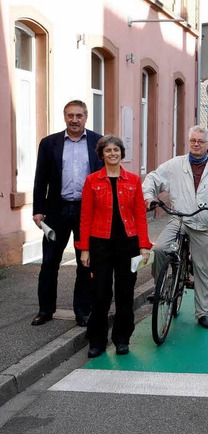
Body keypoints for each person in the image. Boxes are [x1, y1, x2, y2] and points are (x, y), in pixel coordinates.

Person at [142, 126, 208, 329]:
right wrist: (149, 197)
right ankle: (161, 287)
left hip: (204, 223)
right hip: (180, 219)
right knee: (159, 249)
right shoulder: (176, 164)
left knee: (202, 269)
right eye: (193, 140)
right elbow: (153, 177)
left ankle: (202, 312)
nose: (196, 144)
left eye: (201, 141)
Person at [76, 136, 151, 358]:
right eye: (108, 150)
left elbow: (139, 214)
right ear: (102, 155)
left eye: (116, 150)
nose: (112, 153)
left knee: (125, 293)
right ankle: (97, 341)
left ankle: (122, 339)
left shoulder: (133, 180)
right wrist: (84, 248)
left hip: (128, 243)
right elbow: (85, 216)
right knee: (100, 293)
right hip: (100, 243)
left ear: (121, 153)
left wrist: (144, 245)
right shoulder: (92, 181)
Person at [31, 100, 103, 327]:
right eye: (70, 115)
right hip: (56, 209)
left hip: (87, 210)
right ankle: (45, 310)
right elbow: (40, 178)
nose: (74, 120)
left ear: (86, 117)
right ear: (64, 117)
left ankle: (82, 311)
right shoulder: (49, 143)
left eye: (79, 115)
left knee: (86, 263)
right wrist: (38, 210)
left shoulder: (98, 142)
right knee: (50, 262)